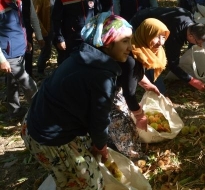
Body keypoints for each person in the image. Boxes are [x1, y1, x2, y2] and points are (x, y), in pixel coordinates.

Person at [21, 12, 133, 189]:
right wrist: (101, 145)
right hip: (47, 136)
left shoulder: (83, 55)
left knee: (72, 174)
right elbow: (99, 120)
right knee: (92, 183)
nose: (130, 47)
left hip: (34, 120)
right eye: (125, 41)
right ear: (107, 42)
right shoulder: (101, 75)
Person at [108, 18, 169, 159]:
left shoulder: (140, 50)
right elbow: (129, 93)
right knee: (121, 121)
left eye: (163, 37)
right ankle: (130, 154)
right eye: (156, 37)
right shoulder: (131, 56)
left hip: (115, 89)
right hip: (109, 92)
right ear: (146, 34)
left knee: (124, 117)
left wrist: (146, 84)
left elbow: (135, 73)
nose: (161, 42)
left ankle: (115, 144)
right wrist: (139, 115)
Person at [131, 7, 205, 92]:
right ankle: (158, 91)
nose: (200, 45)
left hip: (151, 16)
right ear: (190, 36)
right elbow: (172, 64)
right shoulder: (174, 36)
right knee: (149, 58)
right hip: (139, 23)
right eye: (198, 42)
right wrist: (192, 81)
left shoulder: (190, 19)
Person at [0, 0, 37, 120]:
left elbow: (20, 22)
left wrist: (26, 40)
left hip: (19, 48)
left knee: (13, 82)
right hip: (8, 53)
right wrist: (1, 59)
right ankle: (41, 112)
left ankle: (14, 112)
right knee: (29, 83)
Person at [52, 0, 101, 65]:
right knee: (69, 63)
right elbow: (56, 20)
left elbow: (99, 12)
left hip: (90, 37)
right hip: (71, 39)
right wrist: (59, 39)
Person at [31, 0, 59, 76]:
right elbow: (33, 15)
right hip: (46, 28)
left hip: (57, 28)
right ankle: (40, 71)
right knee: (46, 52)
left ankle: (60, 70)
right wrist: (42, 32)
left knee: (62, 49)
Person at [16, 0, 44, 77]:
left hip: (27, 35)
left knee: (28, 61)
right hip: (12, 39)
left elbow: (34, 19)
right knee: (14, 65)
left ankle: (28, 84)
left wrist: (39, 36)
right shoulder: (5, 1)